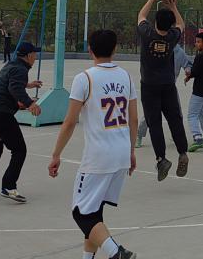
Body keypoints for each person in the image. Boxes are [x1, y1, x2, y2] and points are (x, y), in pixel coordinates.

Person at [49, 29, 137, 259]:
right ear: (115, 49)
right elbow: (134, 119)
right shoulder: (126, 77)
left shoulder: (84, 78)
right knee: (95, 213)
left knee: (81, 213)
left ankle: (116, 253)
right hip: (121, 153)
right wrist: (131, 152)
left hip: (99, 157)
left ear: (90, 50)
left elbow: (70, 122)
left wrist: (56, 154)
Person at [0, 41, 44, 202]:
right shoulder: (21, 69)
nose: (36, 57)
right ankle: (8, 186)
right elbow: (14, 88)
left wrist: (27, 85)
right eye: (35, 54)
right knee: (19, 150)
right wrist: (30, 103)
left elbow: (5, 83)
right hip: (1, 116)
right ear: (28, 55)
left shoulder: (10, 66)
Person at [136, 0, 190, 181]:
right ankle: (182, 152)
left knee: (155, 124)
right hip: (168, 85)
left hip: (149, 86)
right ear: (170, 25)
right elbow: (181, 24)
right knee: (175, 119)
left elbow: (141, 15)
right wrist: (173, 6)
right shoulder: (172, 37)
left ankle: (161, 159)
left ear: (156, 22)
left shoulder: (147, 34)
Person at [136, 43, 191, 148]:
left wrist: (188, 70)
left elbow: (187, 64)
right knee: (150, 115)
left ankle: (177, 136)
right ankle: (139, 135)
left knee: (177, 114)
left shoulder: (180, 52)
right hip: (155, 87)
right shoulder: (158, 48)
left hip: (170, 88)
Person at [185, 32, 203, 151]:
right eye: (196, 41)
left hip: (200, 91)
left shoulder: (200, 56)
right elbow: (200, 71)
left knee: (192, 115)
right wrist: (191, 74)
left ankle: (197, 138)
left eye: (199, 42)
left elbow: (195, 71)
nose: (196, 44)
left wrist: (188, 73)